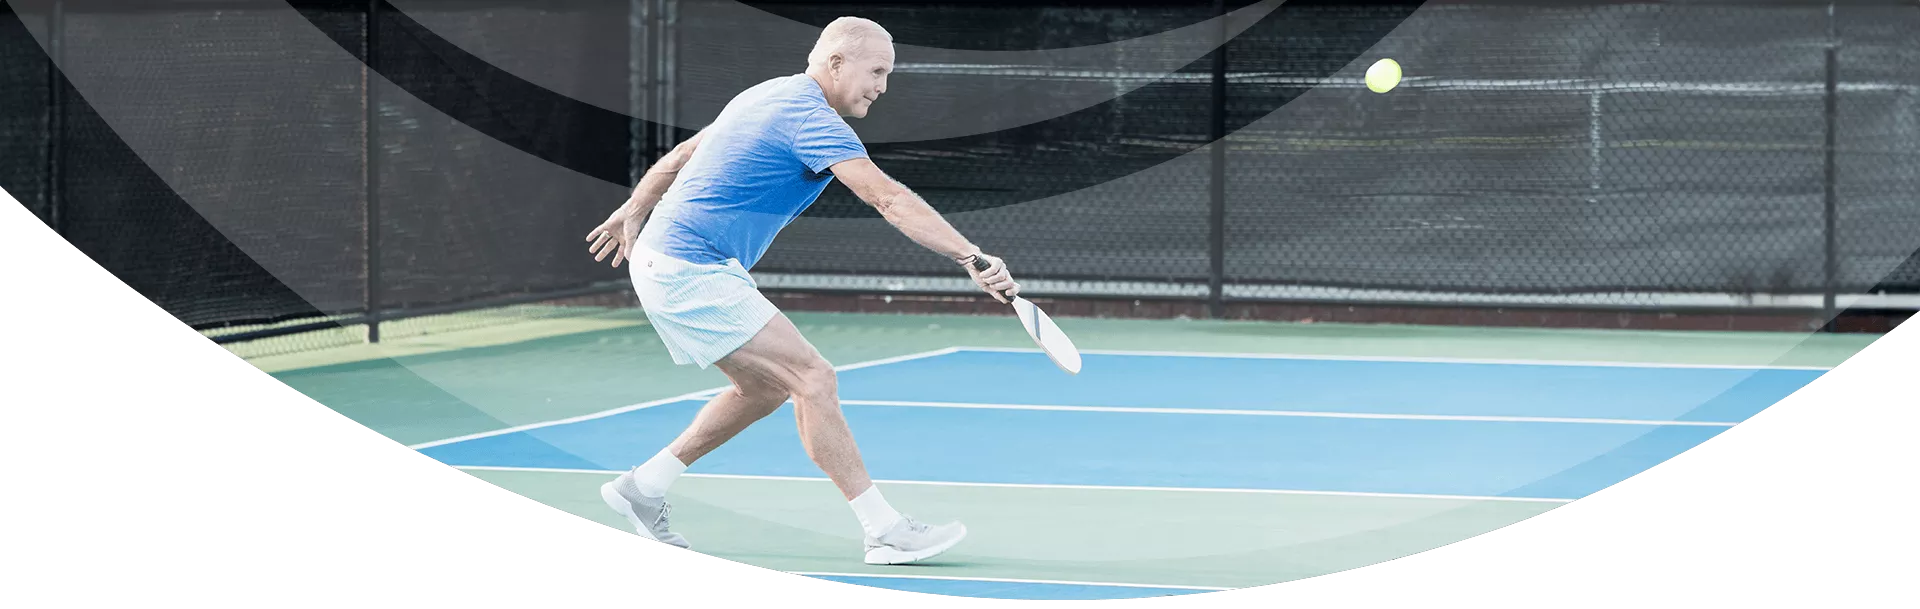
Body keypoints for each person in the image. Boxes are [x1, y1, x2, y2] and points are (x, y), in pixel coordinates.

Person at [582, 16, 1018, 566]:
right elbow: (886, 198)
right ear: (836, 63)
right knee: (813, 377)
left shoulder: (766, 93)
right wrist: (971, 257)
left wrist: (633, 209)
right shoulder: (812, 118)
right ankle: (883, 530)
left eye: (888, 74)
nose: (882, 86)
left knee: (763, 388)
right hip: (688, 265)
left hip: (676, 259)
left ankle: (642, 488)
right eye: (876, 71)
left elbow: (677, 158)